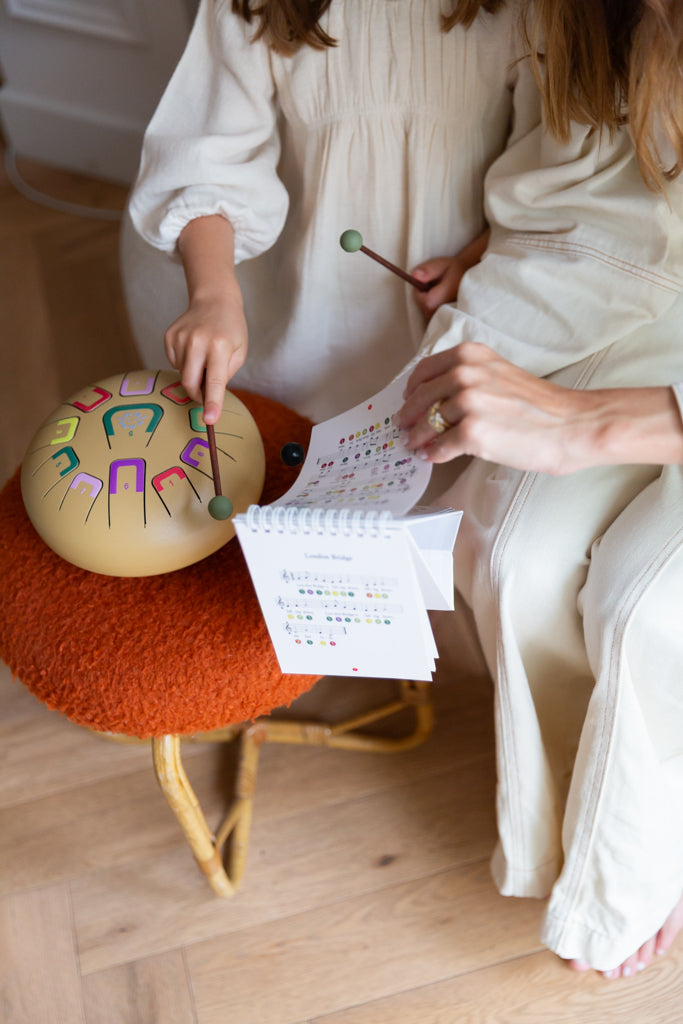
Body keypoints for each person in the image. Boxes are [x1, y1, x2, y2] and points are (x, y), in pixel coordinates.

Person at [125, 0, 683, 980]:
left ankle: (618, 868)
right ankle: (581, 855)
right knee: (490, 544)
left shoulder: (523, 17)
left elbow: (536, 159)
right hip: (358, 334)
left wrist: (493, 280)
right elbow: (556, 171)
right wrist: (216, 292)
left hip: (500, 324)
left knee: (610, 591)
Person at [393, 0, 683, 982]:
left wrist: (588, 422)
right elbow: (576, 165)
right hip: (634, 295)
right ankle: (593, 849)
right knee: (513, 554)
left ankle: (636, 858)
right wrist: (482, 254)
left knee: (642, 602)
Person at [125, 0, 534, 425]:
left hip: (454, 306)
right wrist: (214, 297)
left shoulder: (529, 13)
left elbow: (545, 175)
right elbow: (211, 160)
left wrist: (471, 260)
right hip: (297, 304)